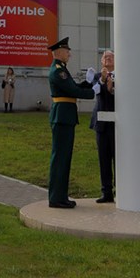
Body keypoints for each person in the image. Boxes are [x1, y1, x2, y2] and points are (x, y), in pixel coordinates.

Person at [47, 36, 94, 209]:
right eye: (67, 51)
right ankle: (56, 198)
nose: (70, 55)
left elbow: (73, 87)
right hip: (62, 117)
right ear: (59, 52)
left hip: (65, 117)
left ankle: (60, 196)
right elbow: (73, 91)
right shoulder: (58, 71)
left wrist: (88, 84)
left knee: (64, 158)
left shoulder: (62, 70)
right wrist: (94, 91)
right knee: (60, 158)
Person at [88, 49, 116, 203]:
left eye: (111, 56)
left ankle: (121, 190)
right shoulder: (97, 77)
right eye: (105, 57)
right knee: (103, 159)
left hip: (117, 123)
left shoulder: (122, 75)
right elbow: (96, 91)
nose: (108, 58)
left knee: (118, 158)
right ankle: (106, 192)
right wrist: (103, 81)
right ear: (101, 61)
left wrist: (112, 88)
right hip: (101, 124)